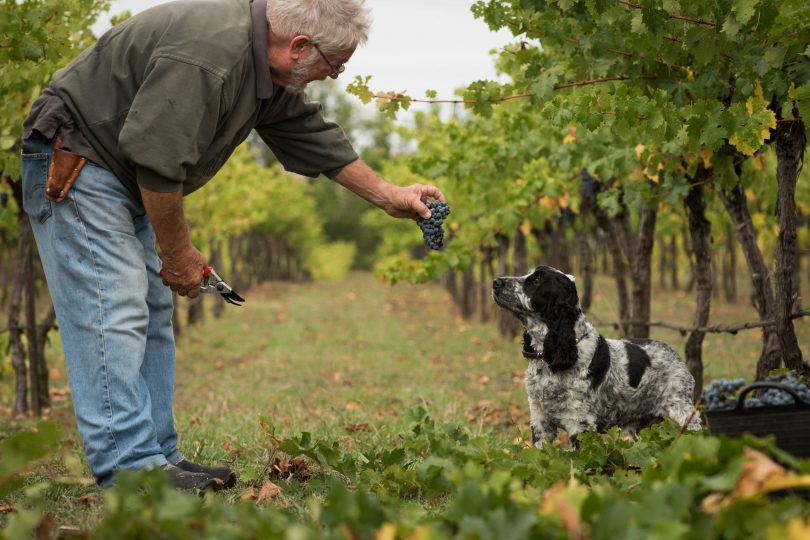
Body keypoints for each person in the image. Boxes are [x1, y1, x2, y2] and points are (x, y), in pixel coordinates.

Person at [21, 0, 445, 492]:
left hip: (114, 171)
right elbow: (158, 160)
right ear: (299, 46)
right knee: (111, 306)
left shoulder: (261, 63)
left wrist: (386, 193)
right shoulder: (212, 53)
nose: (332, 77)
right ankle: (131, 471)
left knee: (149, 307)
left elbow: (307, 133)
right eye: (335, 65)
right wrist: (178, 253)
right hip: (76, 158)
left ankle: (157, 455)